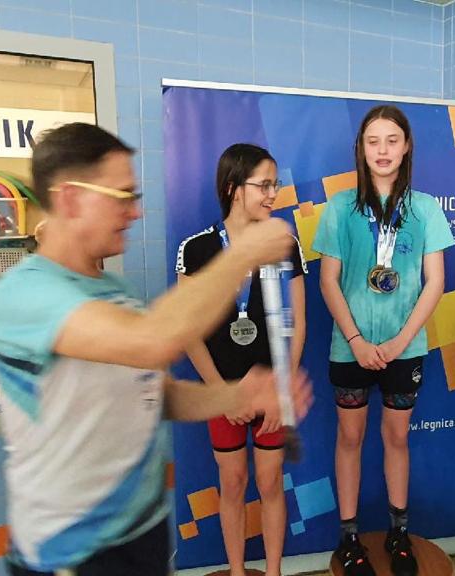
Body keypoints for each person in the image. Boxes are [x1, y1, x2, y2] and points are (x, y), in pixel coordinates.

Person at [0, 123, 312, 576]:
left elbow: (157, 393)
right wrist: (242, 254)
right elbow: (153, 342)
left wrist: (239, 395)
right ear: (71, 199)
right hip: (73, 555)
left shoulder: (115, 292)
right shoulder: (23, 294)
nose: (135, 212)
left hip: (142, 537)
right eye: (122, 196)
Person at [312, 104, 454, 576]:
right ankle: (349, 538)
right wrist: (355, 339)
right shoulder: (339, 208)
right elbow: (328, 281)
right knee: (350, 437)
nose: (383, 150)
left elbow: (435, 282)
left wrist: (400, 341)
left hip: (405, 348)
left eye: (392, 140)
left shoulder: (425, 208)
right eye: (373, 141)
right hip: (349, 347)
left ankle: (399, 532)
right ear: (361, 148)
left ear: (407, 146)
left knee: (396, 437)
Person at [176, 143, 307, 576]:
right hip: (223, 394)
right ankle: (236, 570)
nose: (273, 194)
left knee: (270, 483)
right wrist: (221, 392)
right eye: (263, 185)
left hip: (271, 393)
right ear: (234, 188)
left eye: (275, 185)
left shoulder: (284, 243)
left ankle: (273, 572)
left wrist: (282, 391)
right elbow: (188, 330)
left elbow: (298, 323)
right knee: (231, 483)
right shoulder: (196, 249)